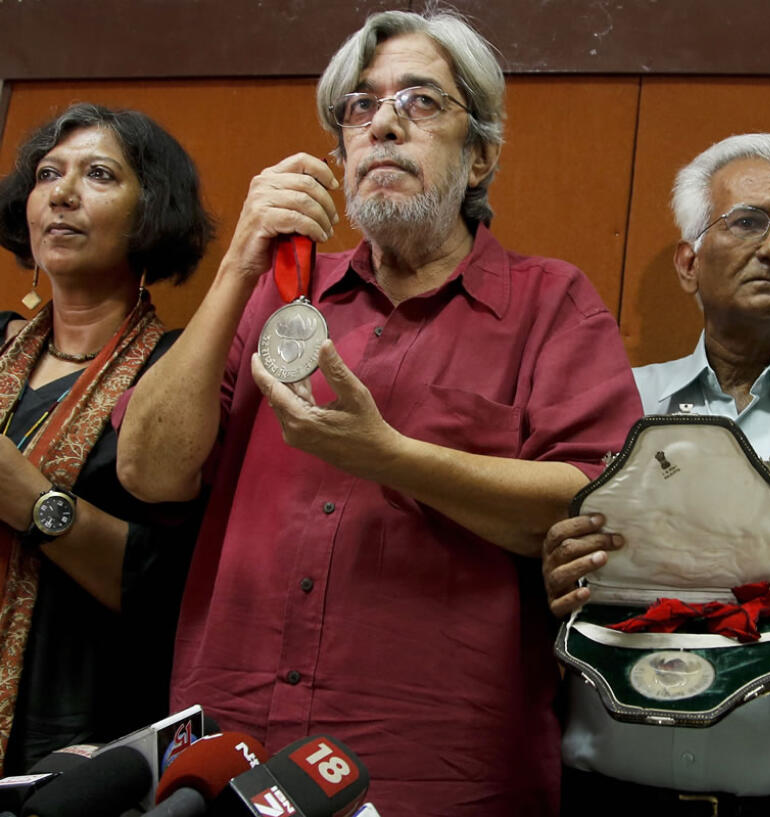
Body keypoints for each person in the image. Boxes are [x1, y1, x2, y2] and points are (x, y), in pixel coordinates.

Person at [115, 9, 642, 815]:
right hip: (232, 748)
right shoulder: (275, 292)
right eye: (360, 108)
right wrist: (235, 269)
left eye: (422, 103)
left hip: (436, 768)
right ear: (339, 154)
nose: (384, 123)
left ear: (480, 157)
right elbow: (148, 472)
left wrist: (386, 455)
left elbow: (591, 508)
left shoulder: (551, 301)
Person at [542, 133, 770, 816]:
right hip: (600, 799)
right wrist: (550, 579)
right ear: (688, 263)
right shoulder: (608, 403)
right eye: (746, 221)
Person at [0, 103, 212, 772]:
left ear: (151, 214)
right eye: (46, 173)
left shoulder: (175, 375)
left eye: (97, 174)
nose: (60, 194)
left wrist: (33, 501)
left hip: (81, 739)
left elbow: (168, 589)